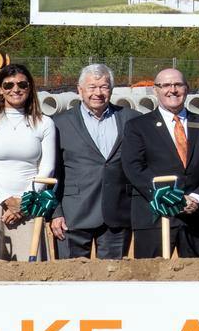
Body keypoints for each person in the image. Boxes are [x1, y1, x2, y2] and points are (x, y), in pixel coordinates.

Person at [118, 67, 199, 257]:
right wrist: (170, 197)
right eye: (166, 85)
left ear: (187, 88)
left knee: (197, 273)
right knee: (152, 274)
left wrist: (198, 197)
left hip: (197, 216)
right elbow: (133, 167)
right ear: (156, 90)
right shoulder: (138, 127)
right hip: (154, 217)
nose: (173, 90)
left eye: (178, 84)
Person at [0, 64, 57, 261]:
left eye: (22, 84)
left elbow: (47, 168)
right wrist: (7, 200)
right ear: (0, 89)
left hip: (28, 205)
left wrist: (23, 202)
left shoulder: (45, 123)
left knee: (29, 269)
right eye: (8, 85)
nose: (16, 89)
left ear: (30, 88)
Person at [50, 63, 139, 258]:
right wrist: (56, 213)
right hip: (72, 216)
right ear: (80, 90)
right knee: (70, 274)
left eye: (104, 87)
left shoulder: (132, 120)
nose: (98, 93)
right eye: (92, 87)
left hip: (117, 216)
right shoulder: (59, 123)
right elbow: (52, 172)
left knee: (112, 274)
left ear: (111, 90)